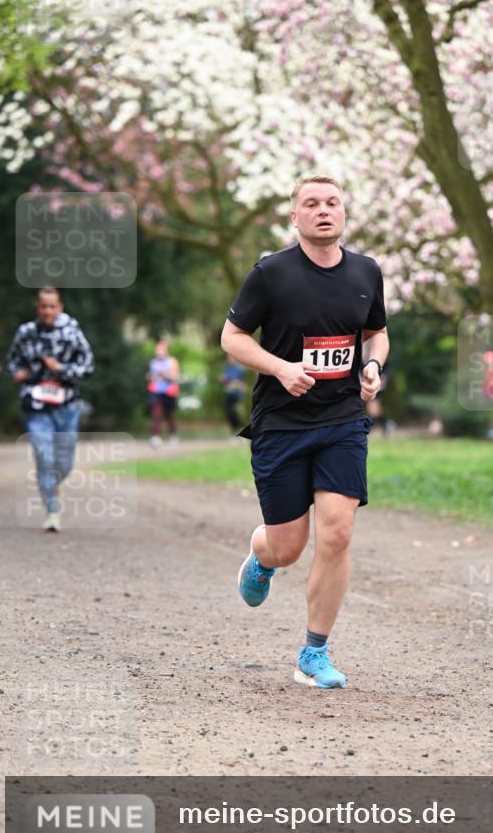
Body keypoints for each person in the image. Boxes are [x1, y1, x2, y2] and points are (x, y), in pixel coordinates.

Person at [221, 174, 389, 689]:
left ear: (344, 213)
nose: (323, 210)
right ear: (295, 216)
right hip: (282, 423)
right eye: (311, 203)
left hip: (341, 419)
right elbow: (232, 338)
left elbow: (375, 332)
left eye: (332, 202)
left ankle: (313, 653)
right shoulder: (271, 274)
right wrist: (279, 368)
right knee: (288, 546)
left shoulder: (366, 271)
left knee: (337, 533)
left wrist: (372, 367)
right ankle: (262, 554)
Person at [6, 286, 94, 532]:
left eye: (52, 306)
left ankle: (54, 485)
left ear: (60, 307)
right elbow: (11, 362)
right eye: (43, 306)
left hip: (67, 403)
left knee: (64, 462)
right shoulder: (26, 332)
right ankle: (52, 512)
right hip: (35, 403)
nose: (47, 311)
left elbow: (88, 366)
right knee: (44, 456)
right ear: (37, 307)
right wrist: (17, 374)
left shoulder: (71, 331)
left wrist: (61, 368)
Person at [147, 339, 180, 447]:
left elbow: (175, 377)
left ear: (166, 350)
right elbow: (150, 376)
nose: (159, 351)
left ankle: (173, 434)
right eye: (158, 349)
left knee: (169, 415)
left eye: (162, 349)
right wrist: (151, 377)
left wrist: (165, 375)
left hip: (169, 392)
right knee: (156, 413)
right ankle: (155, 436)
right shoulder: (153, 362)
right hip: (156, 391)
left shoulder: (172, 361)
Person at [219, 355, 247, 432]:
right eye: (229, 358)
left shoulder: (241, 369)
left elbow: (244, 382)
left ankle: (242, 428)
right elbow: (222, 379)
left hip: (238, 394)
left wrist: (237, 383)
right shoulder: (227, 369)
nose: (230, 360)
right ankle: (234, 430)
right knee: (230, 413)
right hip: (229, 393)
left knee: (238, 412)